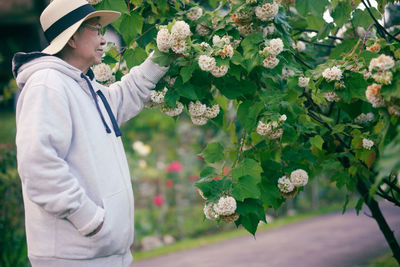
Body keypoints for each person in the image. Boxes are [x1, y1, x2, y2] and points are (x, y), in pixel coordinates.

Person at [11, 0, 169, 266]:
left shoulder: (80, 83)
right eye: (96, 30)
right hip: (73, 256)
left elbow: (122, 98)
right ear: (72, 38)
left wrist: (163, 56)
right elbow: (38, 165)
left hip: (101, 254)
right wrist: (90, 220)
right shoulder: (47, 85)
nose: (104, 39)